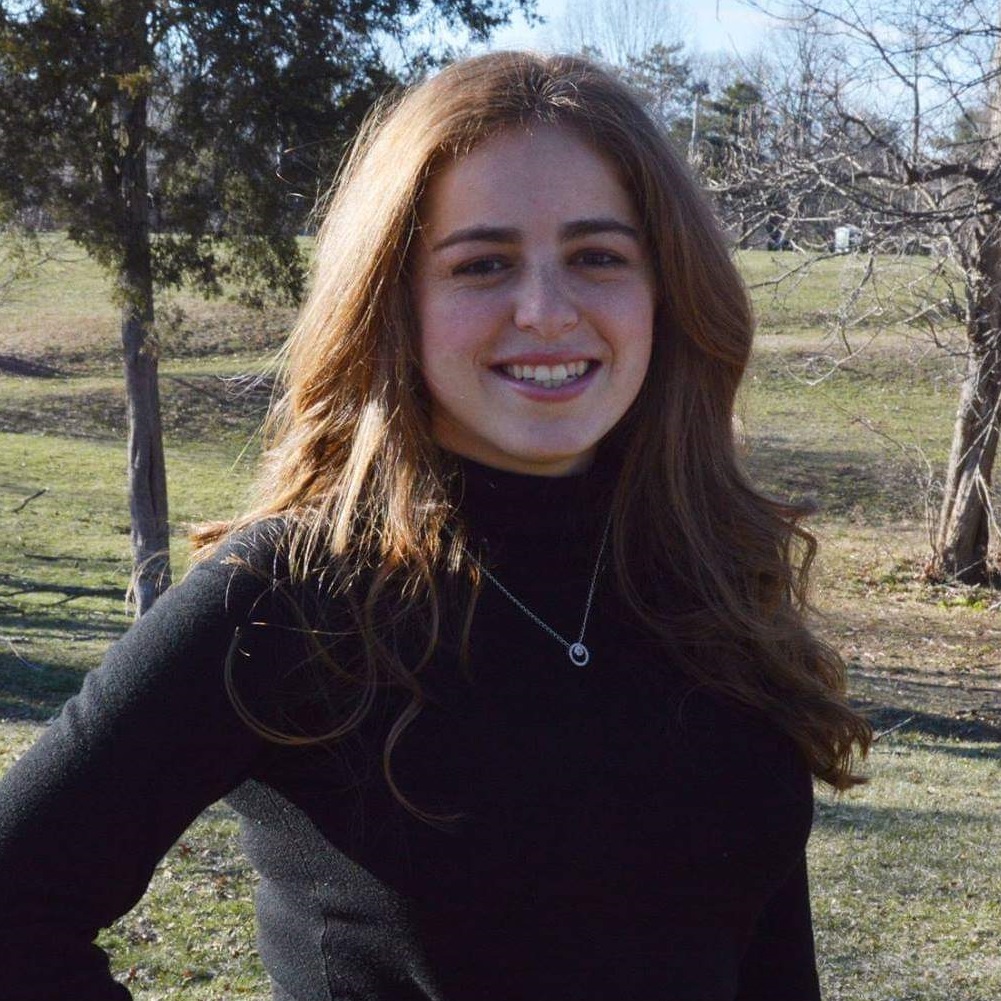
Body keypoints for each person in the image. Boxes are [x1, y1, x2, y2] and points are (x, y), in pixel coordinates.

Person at [0, 51, 871, 1000]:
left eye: (597, 256)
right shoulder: (290, 598)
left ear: (665, 288)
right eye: (482, 264)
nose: (545, 312)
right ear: (393, 301)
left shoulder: (710, 573)